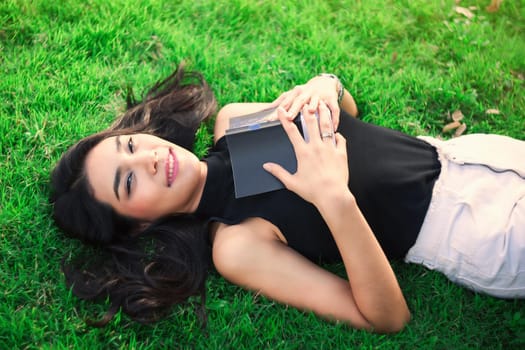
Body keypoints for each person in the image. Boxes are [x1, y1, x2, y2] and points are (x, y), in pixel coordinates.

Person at [50, 64, 525, 333]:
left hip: (477, 156)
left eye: (130, 146)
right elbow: (386, 316)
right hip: (477, 231)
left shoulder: (233, 123)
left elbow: (345, 115)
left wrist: (327, 84)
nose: (148, 160)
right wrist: (334, 199)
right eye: (128, 183)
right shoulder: (237, 244)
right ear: (136, 226)